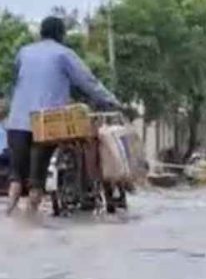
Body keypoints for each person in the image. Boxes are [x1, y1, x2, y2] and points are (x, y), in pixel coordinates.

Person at [3, 16, 120, 214]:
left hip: (16, 122)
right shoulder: (64, 54)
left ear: (41, 32)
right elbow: (87, 82)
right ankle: (31, 222)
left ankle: (8, 216)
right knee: (36, 179)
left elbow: (19, 77)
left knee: (16, 178)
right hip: (45, 123)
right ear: (61, 34)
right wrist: (111, 100)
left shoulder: (24, 52)